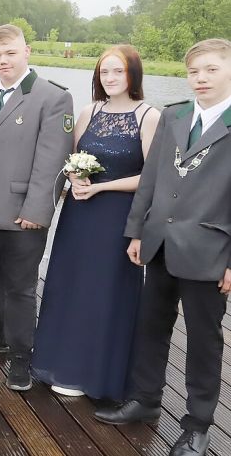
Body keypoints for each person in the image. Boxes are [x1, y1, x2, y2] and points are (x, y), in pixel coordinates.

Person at [94, 39, 231, 456]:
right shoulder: (175, 116)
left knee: (203, 340)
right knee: (150, 326)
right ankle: (146, 399)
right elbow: (150, 178)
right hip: (159, 242)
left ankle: (198, 423)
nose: (200, 78)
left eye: (210, 69)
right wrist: (136, 231)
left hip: (210, 251)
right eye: (193, 71)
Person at [32, 46, 159, 400]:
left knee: (105, 291)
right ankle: (64, 365)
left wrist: (102, 186)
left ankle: (99, 371)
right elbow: (71, 159)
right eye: (105, 72)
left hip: (117, 216)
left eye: (118, 71)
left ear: (133, 74)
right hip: (80, 214)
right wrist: (74, 177)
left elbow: (151, 176)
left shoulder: (148, 116)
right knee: (70, 285)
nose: (111, 78)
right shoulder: (89, 111)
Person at [0, 24, 74, 392]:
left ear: (28, 52)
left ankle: (21, 354)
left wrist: (38, 210)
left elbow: (53, 159)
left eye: (10, 53)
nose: (2, 61)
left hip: (23, 213)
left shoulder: (52, 97)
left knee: (21, 288)